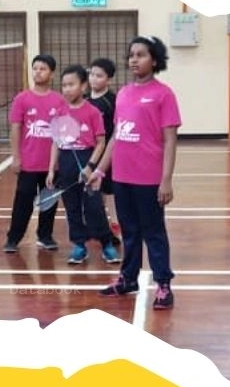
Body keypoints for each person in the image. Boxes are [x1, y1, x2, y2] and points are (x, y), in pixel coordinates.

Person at [86, 36, 181, 309]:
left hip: (149, 178)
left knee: (154, 233)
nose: (134, 60)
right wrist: (100, 170)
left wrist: (166, 180)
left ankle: (163, 285)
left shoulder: (164, 94)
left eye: (141, 55)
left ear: (155, 60)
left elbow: (170, 140)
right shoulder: (124, 94)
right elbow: (117, 136)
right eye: (131, 55)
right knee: (129, 232)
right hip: (122, 177)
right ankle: (128, 279)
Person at [47, 64, 120, 265]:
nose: (67, 89)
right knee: (72, 208)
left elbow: (101, 142)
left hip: (87, 160)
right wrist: (51, 168)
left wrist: (91, 166)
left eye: (71, 84)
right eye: (64, 85)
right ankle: (79, 245)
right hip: (66, 162)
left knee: (94, 207)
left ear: (83, 86)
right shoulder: (60, 112)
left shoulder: (93, 112)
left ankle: (106, 244)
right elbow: (55, 142)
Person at [3, 54, 65, 252]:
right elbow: (15, 128)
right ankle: (13, 238)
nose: (38, 72)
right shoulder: (22, 99)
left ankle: (45, 236)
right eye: (35, 68)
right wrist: (16, 157)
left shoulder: (59, 100)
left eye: (43, 69)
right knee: (23, 201)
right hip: (28, 164)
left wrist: (58, 163)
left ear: (51, 74)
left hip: (51, 165)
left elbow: (62, 133)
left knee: (49, 201)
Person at [87, 57, 121, 246]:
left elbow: (116, 130)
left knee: (110, 192)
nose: (94, 78)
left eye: (99, 76)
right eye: (92, 74)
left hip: (108, 154)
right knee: (93, 193)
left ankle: (115, 225)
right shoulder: (84, 100)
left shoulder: (113, 102)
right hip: (89, 154)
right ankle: (98, 228)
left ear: (108, 79)